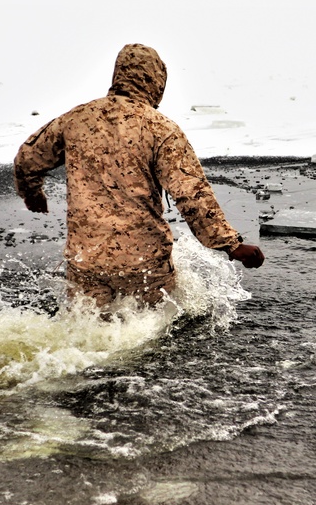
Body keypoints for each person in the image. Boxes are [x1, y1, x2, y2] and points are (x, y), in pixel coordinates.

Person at [14, 43, 264, 307]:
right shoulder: (161, 128)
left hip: (86, 259)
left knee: (90, 336)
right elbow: (191, 193)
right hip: (144, 263)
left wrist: (32, 194)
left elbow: (27, 159)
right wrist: (231, 244)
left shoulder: (75, 119)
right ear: (155, 81)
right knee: (154, 336)